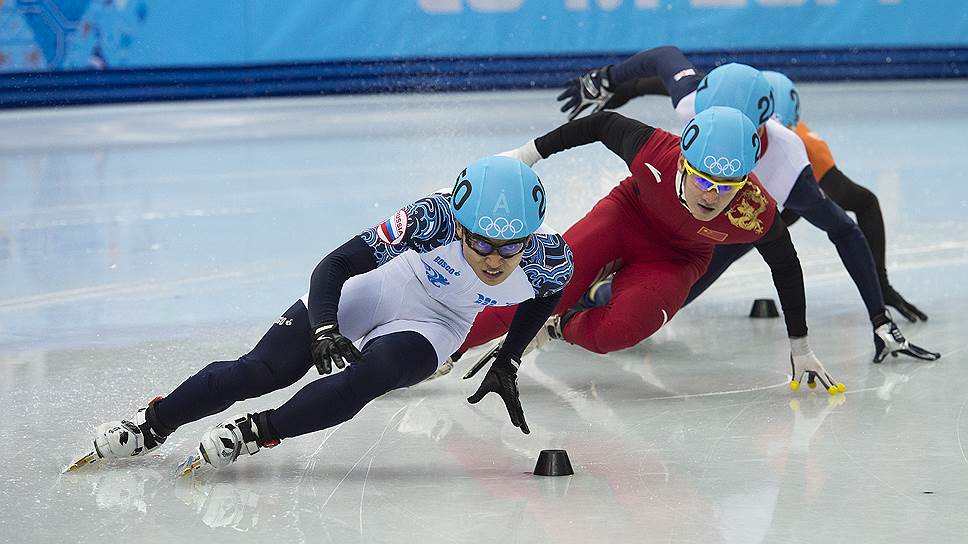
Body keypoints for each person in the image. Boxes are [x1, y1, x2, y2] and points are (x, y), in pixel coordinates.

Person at [68, 156, 573, 473]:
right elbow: (335, 264)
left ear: (529, 240)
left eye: (510, 249)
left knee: (370, 376)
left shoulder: (548, 259)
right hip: (378, 288)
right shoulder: (432, 217)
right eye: (482, 242)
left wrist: (509, 358)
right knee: (265, 369)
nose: (494, 259)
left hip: (436, 327)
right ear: (461, 225)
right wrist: (325, 327)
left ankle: (255, 432)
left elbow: (548, 293)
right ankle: (152, 424)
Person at [555, 47, 937, 363]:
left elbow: (850, 222)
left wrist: (878, 309)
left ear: (763, 130)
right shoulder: (696, 108)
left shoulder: (793, 162)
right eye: (710, 123)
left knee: (663, 295)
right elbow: (662, 64)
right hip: (684, 201)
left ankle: (586, 303)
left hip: (731, 230)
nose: (719, 140)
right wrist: (610, 82)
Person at [457, 105, 848, 401]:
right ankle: (444, 346)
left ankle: (556, 327)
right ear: (683, 162)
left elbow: (786, 265)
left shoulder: (755, 211)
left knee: (618, 333)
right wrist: (529, 153)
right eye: (702, 179)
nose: (712, 195)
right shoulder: (652, 149)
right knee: (537, 290)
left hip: (678, 259)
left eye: (727, 186)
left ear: (744, 180)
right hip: (625, 217)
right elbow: (600, 122)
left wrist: (802, 346)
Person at [762, 70, 926, 322]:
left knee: (735, 236)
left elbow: (806, 205)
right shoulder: (802, 140)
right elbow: (858, 202)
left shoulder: (803, 144)